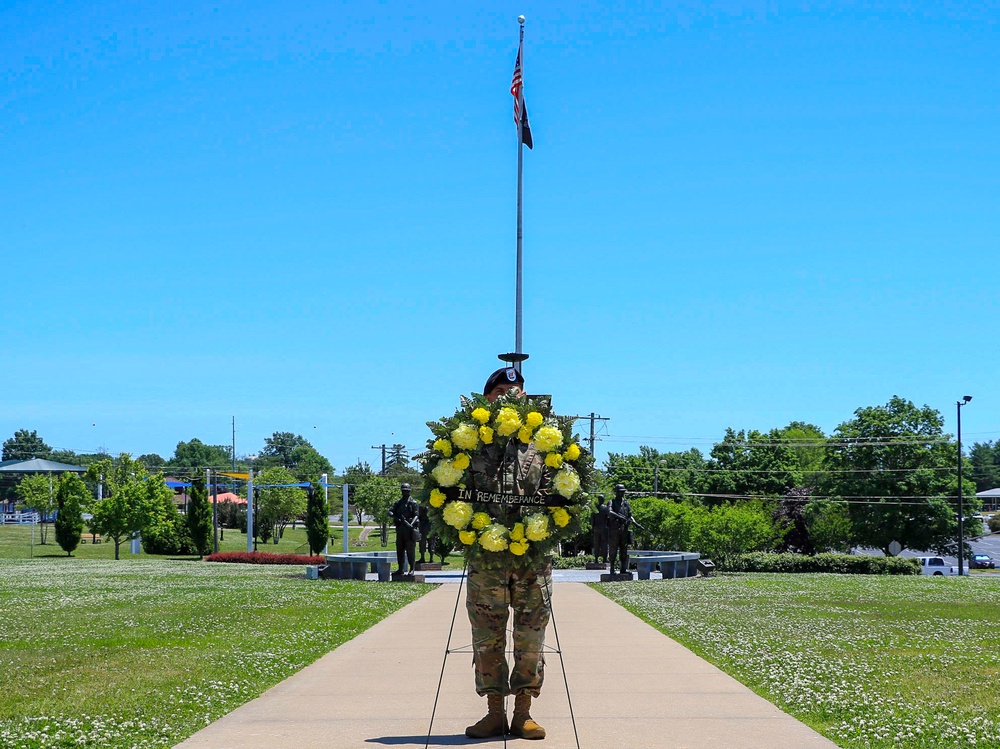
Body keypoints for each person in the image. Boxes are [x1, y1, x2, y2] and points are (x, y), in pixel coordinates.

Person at [464, 364, 549, 741]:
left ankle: (524, 713)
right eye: (502, 393)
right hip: (487, 562)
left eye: (518, 393)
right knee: (487, 639)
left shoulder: (545, 444)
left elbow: (561, 496)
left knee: (530, 641)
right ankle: (494, 712)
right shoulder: (468, 444)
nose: (511, 398)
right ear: (488, 399)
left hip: (533, 562)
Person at [389, 483, 420, 575]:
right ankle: (400, 569)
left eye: (406, 490)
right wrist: (396, 517)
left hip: (409, 531)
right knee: (400, 550)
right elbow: (390, 511)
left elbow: (416, 515)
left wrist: (411, 524)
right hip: (400, 530)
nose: (404, 492)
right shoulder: (398, 503)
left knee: (410, 551)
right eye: (403, 490)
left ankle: (412, 569)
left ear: (409, 491)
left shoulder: (413, 503)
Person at [607, 483, 632, 575]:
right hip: (614, 529)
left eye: (623, 492)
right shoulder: (612, 502)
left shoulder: (626, 502)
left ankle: (623, 569)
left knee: (624, 549)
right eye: (621, 492)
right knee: (613, 549)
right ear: (616, 492)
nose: (622, 494)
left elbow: (630, 514)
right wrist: (620, 517)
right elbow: (609, 512)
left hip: (624, 529)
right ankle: (612, 568)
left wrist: (631, 520)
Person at [591, 494, 609, 565]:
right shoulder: (606, 508)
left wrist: (592, 528)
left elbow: (592, 520)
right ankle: (604, 559)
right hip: (604, 528)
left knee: (596, 544)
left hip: (596, 528)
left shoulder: (595, 508)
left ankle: (596, 559)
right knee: (604, 544)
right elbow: (608, 518)